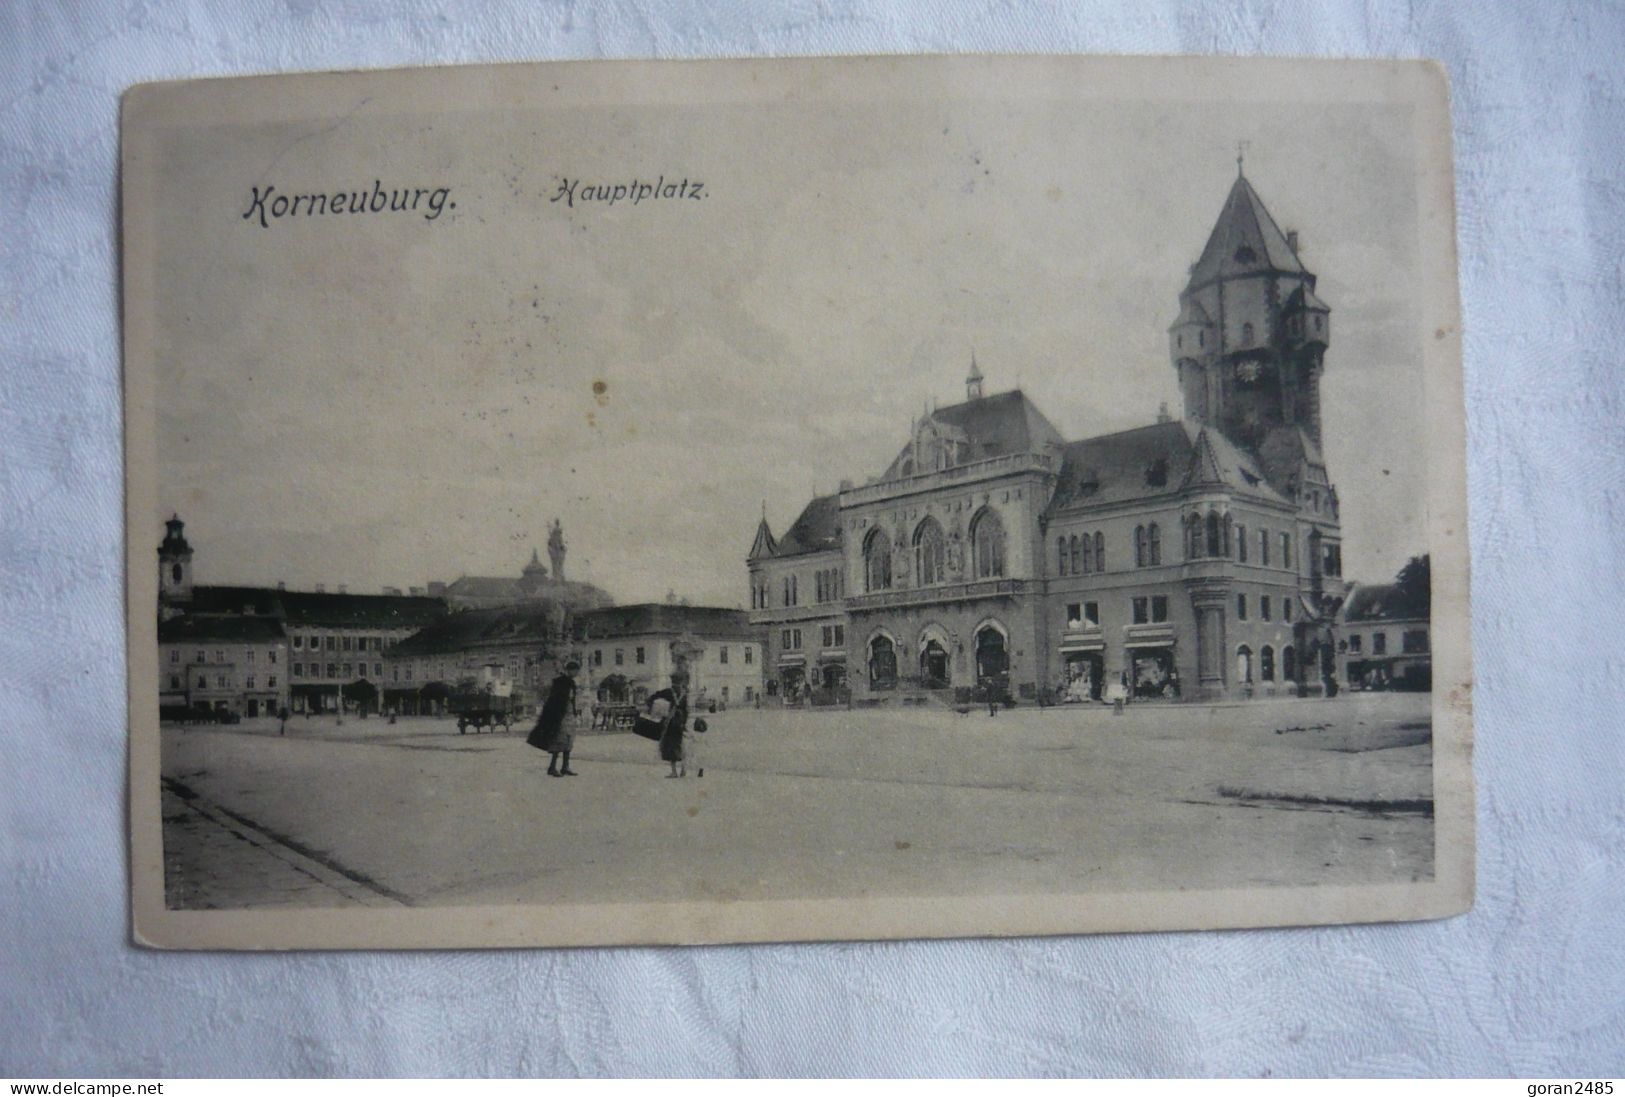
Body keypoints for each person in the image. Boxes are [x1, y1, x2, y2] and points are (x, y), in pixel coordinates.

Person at [526, 660, 580, 777]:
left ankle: (565, 766)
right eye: (575, 670)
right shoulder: (561, 682)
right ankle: (552, 767)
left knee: (569, 741)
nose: (576, 673)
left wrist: (574, 713)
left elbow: (572, 700)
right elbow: (556, 700)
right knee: (558, 741)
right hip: (560, 716)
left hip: (569, 715)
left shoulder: (571, 683)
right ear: (570, 670)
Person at [649, 671, 691, 778]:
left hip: (670, 723)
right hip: (680, 722)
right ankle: (683, 769)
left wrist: (652, 707)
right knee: (680, 745)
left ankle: (674, 772)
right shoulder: (684, 694)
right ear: (681, 681)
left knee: (670, 747)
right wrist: (684, 723)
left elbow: (654, 696)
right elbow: (686, 710)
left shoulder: (668, 692)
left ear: (671, 681)